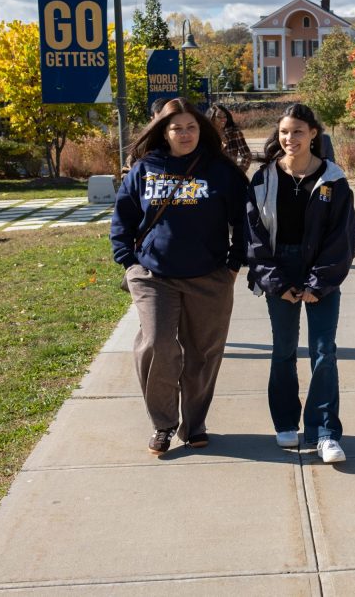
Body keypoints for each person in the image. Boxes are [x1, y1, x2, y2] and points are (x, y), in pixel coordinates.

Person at [110, 97, 248, 455]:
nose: (184, 134)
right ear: (163, 131)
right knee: (157, 345)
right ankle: (163, 423)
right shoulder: (145, 168)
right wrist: (129, 262)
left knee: (203, 353)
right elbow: (121, 219)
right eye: (176, 128)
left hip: (209, 275)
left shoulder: (221, 170)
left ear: (201, 130)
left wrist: (233, 266)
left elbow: (243, 222)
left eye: (191, 127)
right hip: (155, 274)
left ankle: (195, 422)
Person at [246, 103, 355, 464]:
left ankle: (325, 432)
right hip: (279, 268)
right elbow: (254, 237)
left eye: (297, 131)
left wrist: (318, 283)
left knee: (324, 351)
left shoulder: (333, 180)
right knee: (283, 350)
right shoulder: (264, 178)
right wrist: (276, 282)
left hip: (320, 272)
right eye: (284, 132)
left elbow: (342, 238)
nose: (289, 138)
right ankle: (285, 422)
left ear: (313, 133)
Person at [208, 103, 252, 173]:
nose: (223, 119)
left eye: (225, 117)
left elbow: (247, 156)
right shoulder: (206, 134)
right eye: (219, 117)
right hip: (209, 175)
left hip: (230, 176)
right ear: (212, 118)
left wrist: (239, 173)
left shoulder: (234, 133)